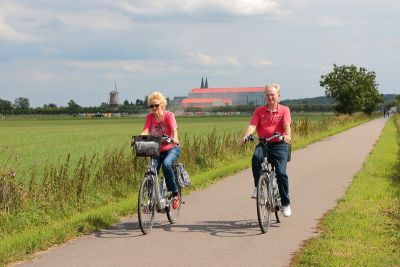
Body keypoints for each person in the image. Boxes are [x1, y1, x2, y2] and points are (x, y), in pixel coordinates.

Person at [241, 84, 292, 217]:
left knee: (281, 173)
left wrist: (287, 134)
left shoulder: (285, 110)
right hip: (264, 143)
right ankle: (258, 187)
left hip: (280, 144)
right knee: (256, 158)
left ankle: (286, 203)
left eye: (272, 94)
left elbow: (287, 124)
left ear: (278, 95)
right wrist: (247, 135)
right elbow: (253, 125)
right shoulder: (259, 111)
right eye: (268, 95)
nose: (270, 97)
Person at [137, 91, 181, 209]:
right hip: (156, 149)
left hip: (171, 148)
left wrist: (174, 138)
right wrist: (139, 138)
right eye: (151, 106)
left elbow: (174, 130)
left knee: (167, 164)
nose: (154, 108)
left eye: (156, 105)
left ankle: (175, 194)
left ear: (162, 105)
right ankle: (150, 199)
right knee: (151, 170)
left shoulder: (169, 115)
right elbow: (146, 130)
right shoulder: (150, 117)